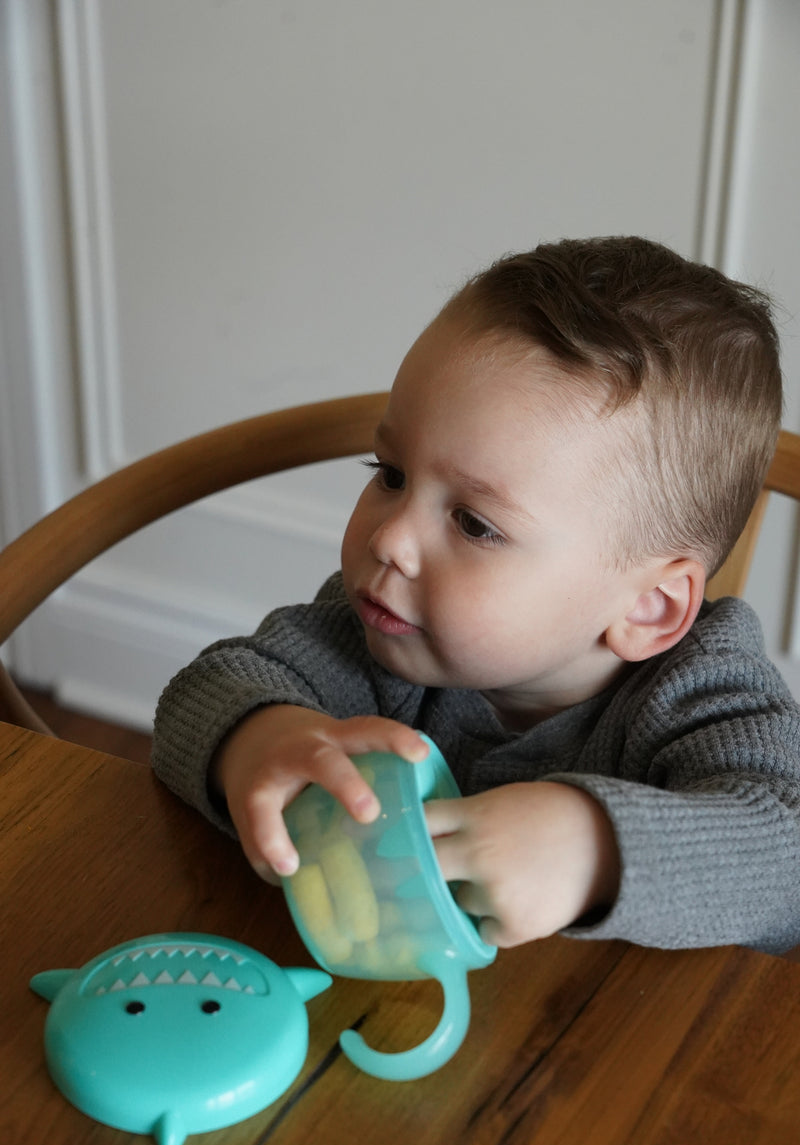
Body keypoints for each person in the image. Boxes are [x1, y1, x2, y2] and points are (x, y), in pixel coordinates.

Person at [151, 234, 800, 955]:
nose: (391, 539)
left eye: (473, 524)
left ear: (647, 608)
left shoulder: (704, 692)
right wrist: (263, 742)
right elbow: (204, 691)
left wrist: (594, 847)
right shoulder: (382, 627)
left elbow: (785, 855)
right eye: (390, 472)